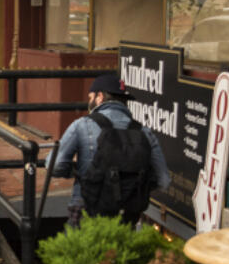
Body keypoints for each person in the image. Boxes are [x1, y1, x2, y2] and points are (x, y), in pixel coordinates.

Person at [47, 73, 171, 227]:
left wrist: (77, 172)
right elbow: (164, 180)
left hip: (85, 208)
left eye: (90, 96)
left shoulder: (82, 125)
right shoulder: (144, 132)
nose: (89, 101)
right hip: (127, 214)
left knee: (74, 249)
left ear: (99, 97)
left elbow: (55, 165)